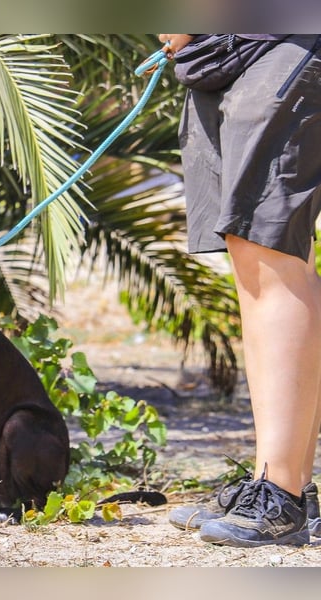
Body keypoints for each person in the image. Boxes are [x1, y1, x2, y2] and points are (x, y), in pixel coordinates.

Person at [159, 33, 321, 547]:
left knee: (268, 255)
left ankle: (281, 493)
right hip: (218, 54)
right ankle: (283, 481)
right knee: (257, 256)